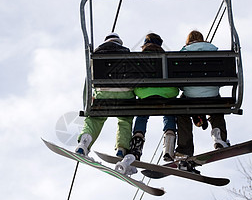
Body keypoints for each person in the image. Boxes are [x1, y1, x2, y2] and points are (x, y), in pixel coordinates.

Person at [175, 30, 230, 173]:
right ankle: (219, 138)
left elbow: (178, 83)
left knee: (182, 111)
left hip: (191, 97)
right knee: (216, 108)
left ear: (188, 41)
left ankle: (184, 149)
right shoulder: (215, 51)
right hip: (212, 95)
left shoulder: (182, 53)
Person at [75, 33, 135, 158]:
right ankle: (121, 149)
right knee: (125, 119)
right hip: (125, 95)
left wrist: (87, 102)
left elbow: (88, 81)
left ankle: (84, 143)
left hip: (103, 93)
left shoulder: (95, 57)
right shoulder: (128, 54)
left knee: (95, 119)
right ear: (119, 42)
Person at [129, 33, 179, 161]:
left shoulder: (138, 58)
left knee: (142, 114)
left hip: (145, 94)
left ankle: (137, 146)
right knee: (169, 112)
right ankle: (168, 145)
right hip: (167, 93)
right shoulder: (168, 58)